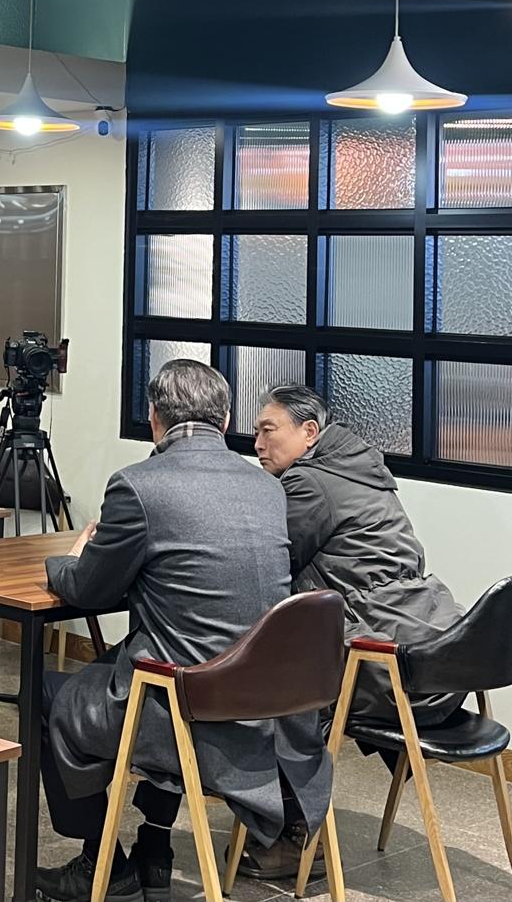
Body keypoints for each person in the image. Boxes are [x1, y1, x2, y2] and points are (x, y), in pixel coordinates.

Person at [35, 361, 331, 902]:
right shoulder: (267, 488)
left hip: (185, 704)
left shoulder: (138, 486)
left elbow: (91, 589)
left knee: (52, 692)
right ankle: (155, 848)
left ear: (155, 418)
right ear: (226, 421)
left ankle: (102, 862)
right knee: (159, 656)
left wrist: (65, 561)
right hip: (265, 706)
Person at [248, 383, 464, 877]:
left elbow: (269, 563)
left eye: (267, 431)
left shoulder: (308, 483)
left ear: (309, 432)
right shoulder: (365, 471)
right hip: (434, 655)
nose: (257, 444)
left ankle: (296, 837)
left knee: (278, 692)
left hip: (383, 663)